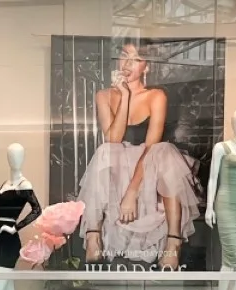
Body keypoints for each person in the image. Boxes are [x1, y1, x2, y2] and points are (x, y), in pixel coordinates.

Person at [78, 40, 200, 269]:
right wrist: (124, 96)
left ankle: (173, 243)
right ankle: (93, 236)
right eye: (125, 56)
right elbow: (112, 139)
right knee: (104, 151)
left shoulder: (156, 96)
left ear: (147, 67)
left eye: (137, 59)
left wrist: (132, 192)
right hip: (118, 160)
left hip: (149, 162)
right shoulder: (104, 96)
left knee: (164, 151)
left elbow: (151, 145)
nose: (128, 63)